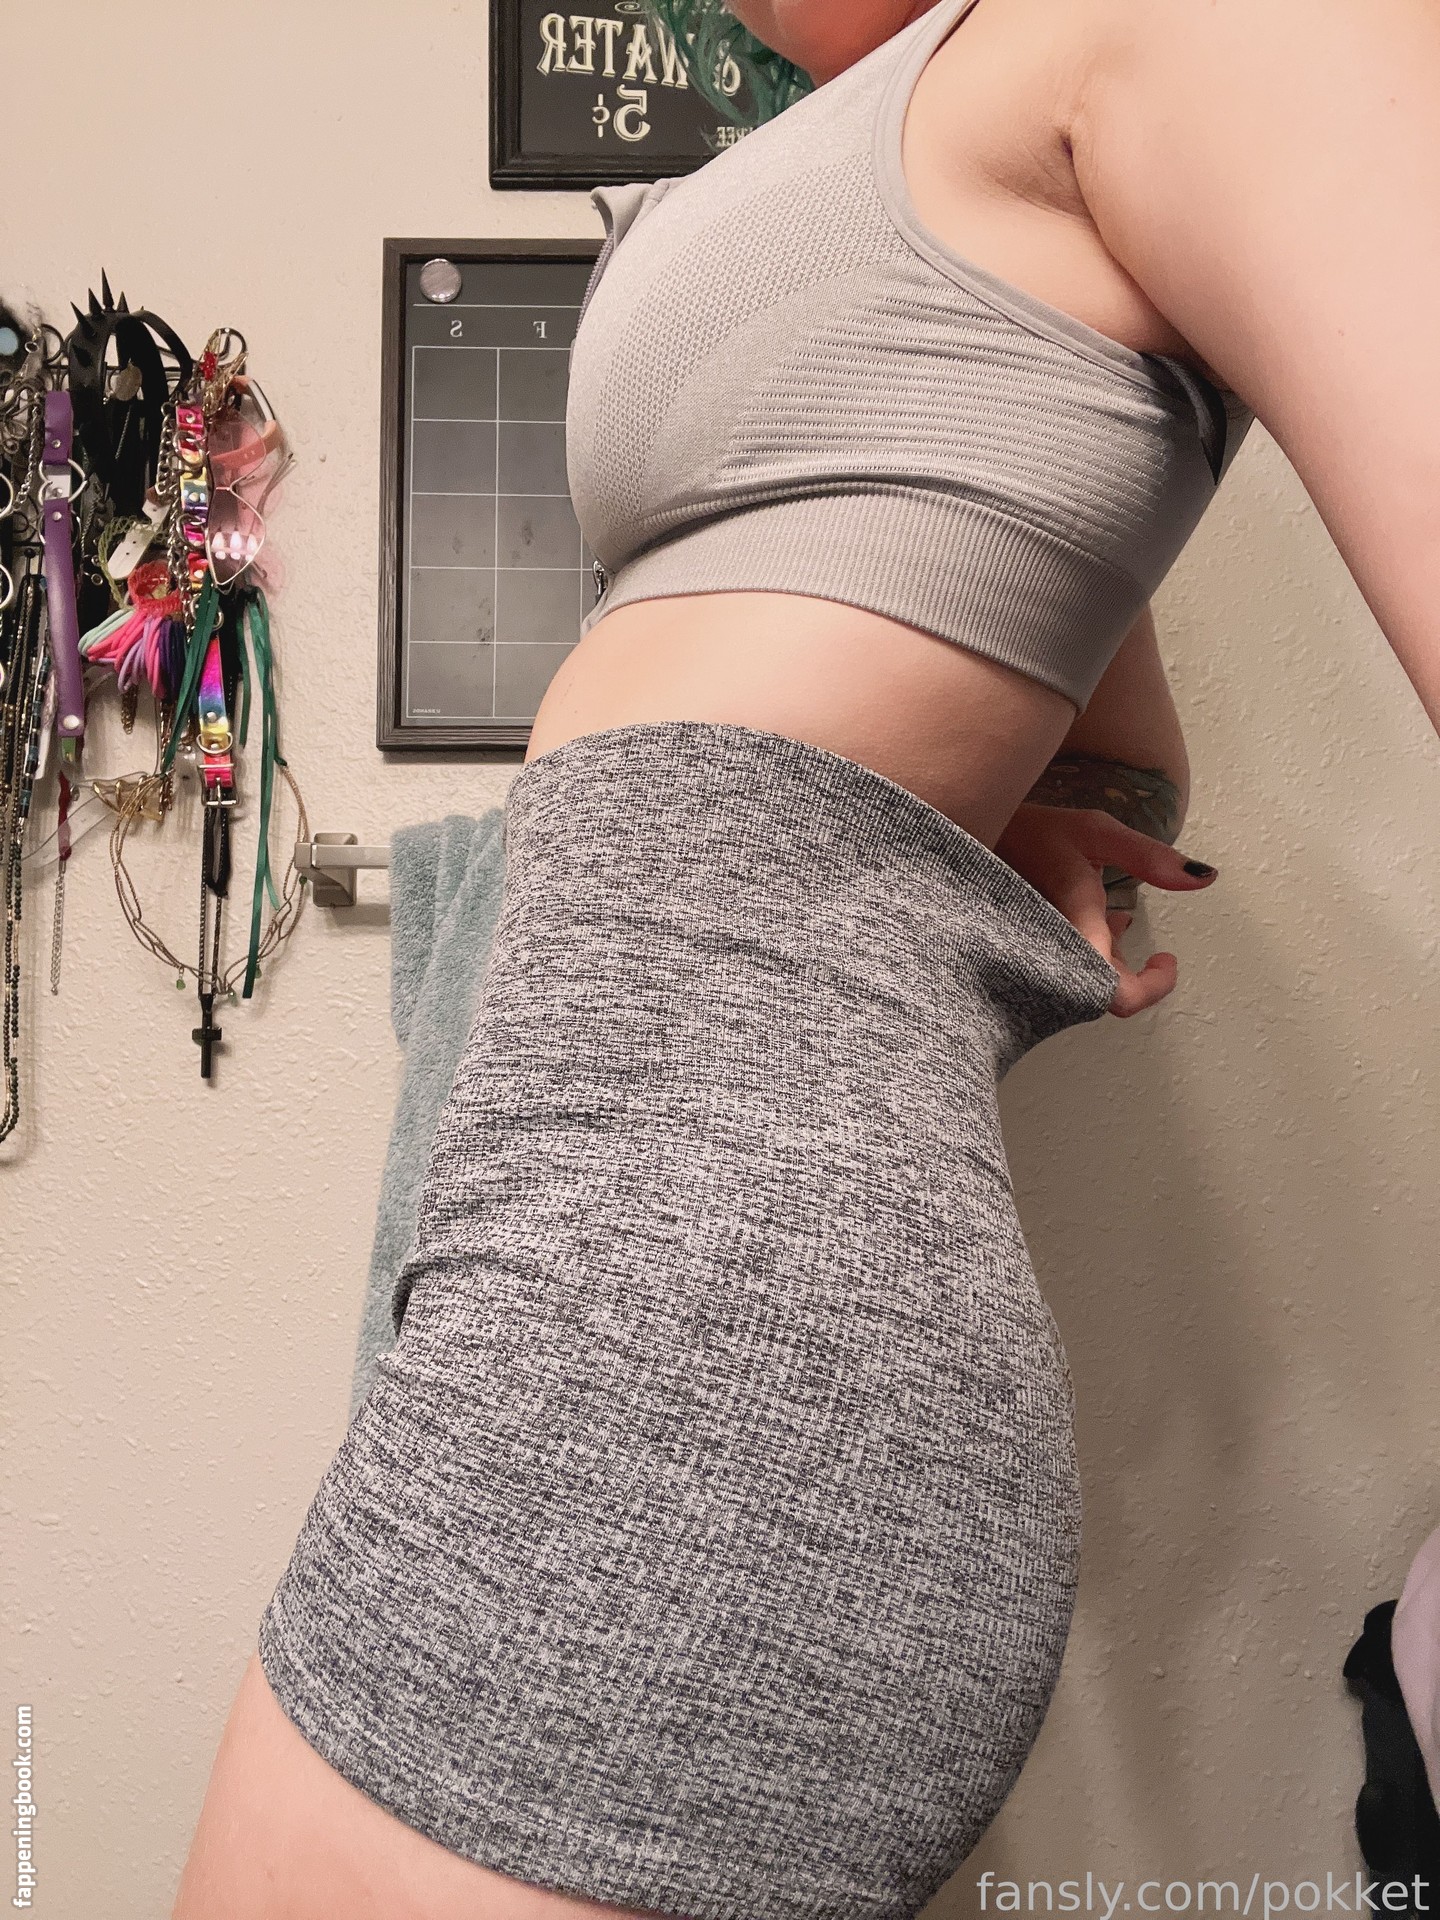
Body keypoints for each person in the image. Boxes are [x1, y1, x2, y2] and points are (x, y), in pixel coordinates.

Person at [173, 0, 1440, 1915]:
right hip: (569, 1264)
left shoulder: (1191, 25)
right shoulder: (917, 117)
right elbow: (1097, 720)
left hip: (702, 1345)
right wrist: (1004, 827)